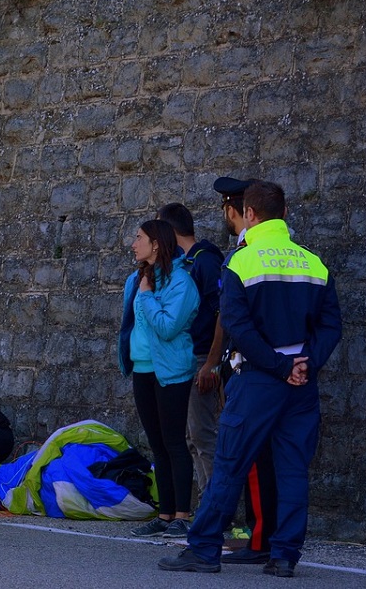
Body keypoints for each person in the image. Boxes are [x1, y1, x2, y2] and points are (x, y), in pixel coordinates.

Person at [159, 181, 342, 576]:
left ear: (251, 214)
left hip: (259, 379)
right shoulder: (314, 262)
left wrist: (278, 366)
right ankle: (284, 556)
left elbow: (238, 327)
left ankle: (204, 549)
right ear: (286, 214)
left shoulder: (240, 262)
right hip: (301, 384)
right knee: (293, 468)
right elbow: (331, 326)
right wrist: (305, 363)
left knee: (229, 464)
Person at [118, 219, 200, 539]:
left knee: (174, 443)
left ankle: (182, 515)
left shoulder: (181, 282)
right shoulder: (135, 280)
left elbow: (167, 327)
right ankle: (164, 515)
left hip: (171, 371)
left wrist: (148, 296)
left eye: (138, 238)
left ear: (156, 245)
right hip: (142, 370)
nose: (133, 243)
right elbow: (130, 326)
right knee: (157, 445)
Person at [212, 176, 279, 565]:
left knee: (252, 458)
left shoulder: (244, 255)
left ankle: (258, 539)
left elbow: (233, 319)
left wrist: (219, 364)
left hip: (253, 367)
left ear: (236, 210)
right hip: (278, 366)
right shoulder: (278, 251)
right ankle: (266, 535)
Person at [156, 203, 225, 504]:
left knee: (202, 434)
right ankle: (205, 504)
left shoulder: (205, 263)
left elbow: (224, 314)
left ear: (171, 232)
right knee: (189, 437)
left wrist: (211, 363)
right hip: (184, 360)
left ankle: (215, 508)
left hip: (200, 359)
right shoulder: (182, 264)